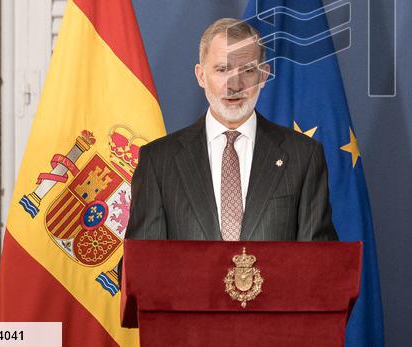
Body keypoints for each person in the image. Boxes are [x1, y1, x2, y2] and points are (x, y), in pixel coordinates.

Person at [126, 18, 337, 242]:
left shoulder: (303, 156)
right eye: (222, 69)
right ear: (201, 75)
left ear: (263, 76)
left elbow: (318, 258)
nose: (235, 85)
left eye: (248, 70)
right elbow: (142, 259)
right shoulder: (159, 161)